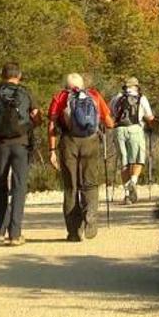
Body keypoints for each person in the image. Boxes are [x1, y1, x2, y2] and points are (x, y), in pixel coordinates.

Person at [0, 63, 40, 246]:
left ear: (2, 75)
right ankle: (15, 234)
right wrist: (28, 128)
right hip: (21, 144)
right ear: (19, 75)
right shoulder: (26, 93)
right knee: (19, 187)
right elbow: (36, 116)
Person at [48, 73, 115, 242]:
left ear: (66, 85)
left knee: (71, 186)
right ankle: (91, 220)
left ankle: (73, 232)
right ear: (82, 84)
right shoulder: (94, 95)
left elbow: (51, 124)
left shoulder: (60, 97)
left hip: (69, 142)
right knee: (90, 183)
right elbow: (109, 123)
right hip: (91, 142)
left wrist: (52, 150)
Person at [109, 77, 155, 205]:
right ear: (136, 86)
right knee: (137, 159)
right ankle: (133, 182)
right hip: (135, 129)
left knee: (124, 162)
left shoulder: (116, 98)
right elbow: (150, 117)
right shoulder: (141, 98)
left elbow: (110, 114)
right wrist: (151, 124)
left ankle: (127, 195)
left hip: (119, 130)